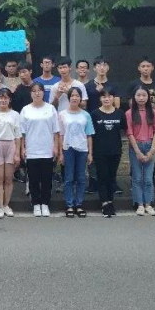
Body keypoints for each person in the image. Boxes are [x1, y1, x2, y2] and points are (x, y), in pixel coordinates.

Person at [20, 83, 60, 218]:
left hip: (47, 149)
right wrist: (23, 148)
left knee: (47, 179)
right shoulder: (25, 110)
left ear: (43, 93)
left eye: (39, 91)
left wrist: (56, 147)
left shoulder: (51, 109)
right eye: (34, 91)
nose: (37, 93)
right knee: (33, 179)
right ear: (30, 93)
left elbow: (56, 131)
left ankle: (45, 203)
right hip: (32, 150)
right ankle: (36, 203)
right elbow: (22, 133)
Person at [127, 56, 155, 191]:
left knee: (152, 150)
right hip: (137, 118)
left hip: (152, 119)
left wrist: (154, 114)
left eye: (148, 66)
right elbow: (131, 102)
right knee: (135, 151)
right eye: (143, 66)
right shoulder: (133, 84)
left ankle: (151, 178)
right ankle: (134, 179)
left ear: (152, 68)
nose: (146, 68)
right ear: (139, 68)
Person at [86, 56, 121, 194]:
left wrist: (103, 91)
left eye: (104, 65)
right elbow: (85, 105)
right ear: (94, 68)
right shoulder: (88, 85)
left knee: (112, 153)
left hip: (110, 122)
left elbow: (117, 105)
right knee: (93, 152)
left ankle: (113, 183)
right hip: (93, 122)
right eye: (99, 65)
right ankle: (93, 182)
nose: (102, 67)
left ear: (108, 68)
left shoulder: (113, 85)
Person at [59, 87, 95, 218]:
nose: (74, 98)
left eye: (77, 96)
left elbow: (89, 134)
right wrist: (61, 153)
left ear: (80, 98)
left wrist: (90, 153)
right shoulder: (62, 114)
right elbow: (61, 134)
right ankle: (69, 204)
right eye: (72, 95)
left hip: (82, 149)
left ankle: (79, 204)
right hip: (68, 148)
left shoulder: (86, 115)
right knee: (69, 178)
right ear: (69, 98)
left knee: (81, 178)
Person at [91, 88, 127, 217]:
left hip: (115, 150)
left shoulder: (120, 114)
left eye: (109, 96)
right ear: (100, 99)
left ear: (113, 98)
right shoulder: (95, 114)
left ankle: (110, 201)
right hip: (100, 151)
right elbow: (91, 134)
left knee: (112, 177)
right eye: (104, 96)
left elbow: (124, 130)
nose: (107, 99)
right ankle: (104, 203)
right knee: (102, 176)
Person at [127, 85, 155, 216]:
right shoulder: (129, 113)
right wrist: (137, 151)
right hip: (135, 146)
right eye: (138, 95)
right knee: (136, 178)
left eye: (144, 95)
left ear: (148, 97)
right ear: (134, 97)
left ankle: (149, 204)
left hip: (149, 145)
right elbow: (129, 133)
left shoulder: (153, 112)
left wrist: (152, 150)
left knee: (148, 178)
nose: (141, 98)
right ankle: (139, 204)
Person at [0, 88, 22, 219]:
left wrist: (17, 153)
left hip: (10, 145)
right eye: (1, 97)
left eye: (6, 98)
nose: (3, 100)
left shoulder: (15, 115)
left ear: (9, 100)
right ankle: (0, 206)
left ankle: (7, 205)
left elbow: (18, 136)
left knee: (8, 178)